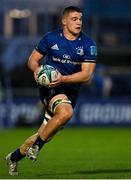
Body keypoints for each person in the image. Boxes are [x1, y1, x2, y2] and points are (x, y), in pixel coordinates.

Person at [5, 6, 97, 176]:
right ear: (64, 21)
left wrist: (63, 78)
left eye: (80, 19)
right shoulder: (51, 38)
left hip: (70, 92)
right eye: (74, 19)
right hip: (51, 88)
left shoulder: (88, 44)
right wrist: (37, 71)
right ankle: (37, 147)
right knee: (66, 113)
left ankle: (14, 157)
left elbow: (87, 75)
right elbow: (33, 60)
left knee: (43, 133)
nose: (78, 22)